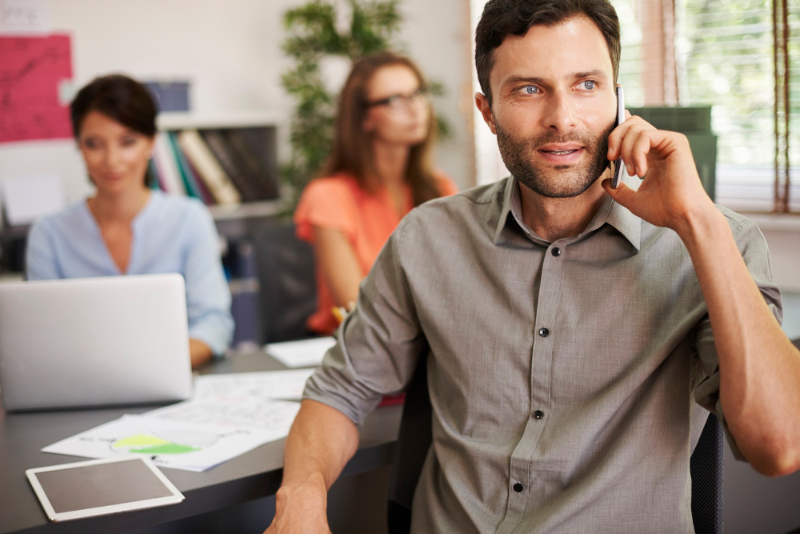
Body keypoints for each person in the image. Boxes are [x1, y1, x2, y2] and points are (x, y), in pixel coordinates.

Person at [266, 0, 800, 532]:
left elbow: (779, 446)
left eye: (586, 84)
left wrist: (698, 222)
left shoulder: (711, 242)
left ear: (619, 99)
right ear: (487, 111)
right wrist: (301, 497)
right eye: (528, 89)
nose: (562, 118)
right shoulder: (428, 238)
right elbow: (340, 390)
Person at [25, 74, 234, 369]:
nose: (112, 160)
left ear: (151, 143)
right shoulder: (49, 234)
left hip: (172, 377)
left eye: (128, 142)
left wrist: (151, 369)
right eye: (94, 144)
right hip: (82, 382)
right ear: (79, 147)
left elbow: (213, 324)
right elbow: (40, 336)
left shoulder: (190, 219)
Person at [293, 52, 458, 335]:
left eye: (418, 93)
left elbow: (456, 286)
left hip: (429, 342)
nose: (415, 108)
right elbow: (356, 307)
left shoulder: (440, 187)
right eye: (395, 100)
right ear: (364, 118)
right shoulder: (328, 196)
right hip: (355, 346)